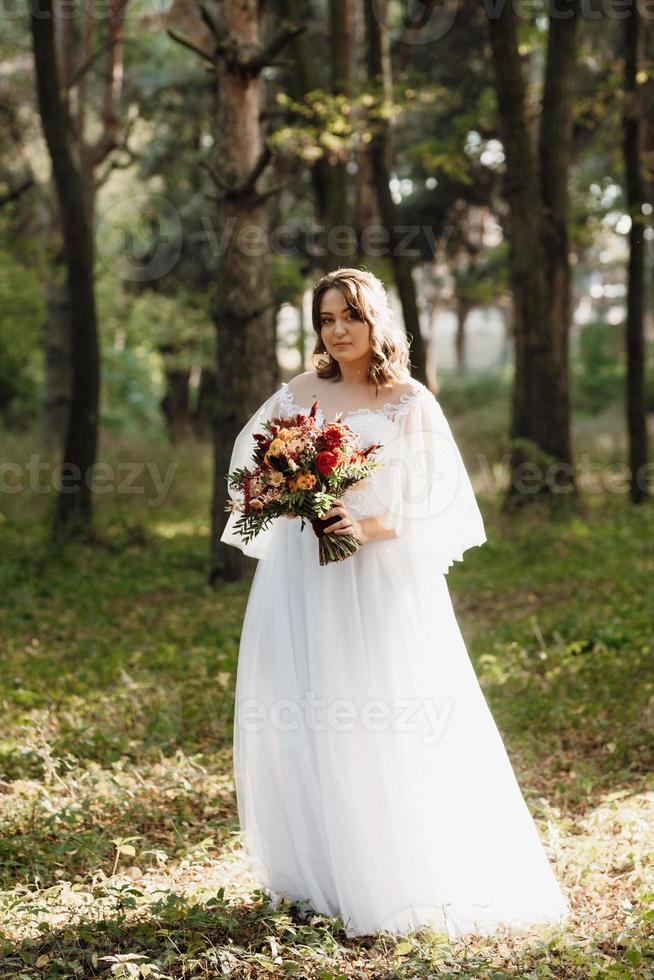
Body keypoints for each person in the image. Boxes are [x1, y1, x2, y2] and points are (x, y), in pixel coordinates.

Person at [220, 267, 570, 940]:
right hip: (303, 575)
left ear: (375, 319)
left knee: (380, 708)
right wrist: (293, 498)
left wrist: (357, 527)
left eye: (349, 314)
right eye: (326, 319)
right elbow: (254, 479)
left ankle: (391, 872)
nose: (338, 329)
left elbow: (419, 505)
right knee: (307, 707)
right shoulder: (298, 392)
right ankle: (318, 872)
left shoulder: (409, 401)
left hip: (378, 575)